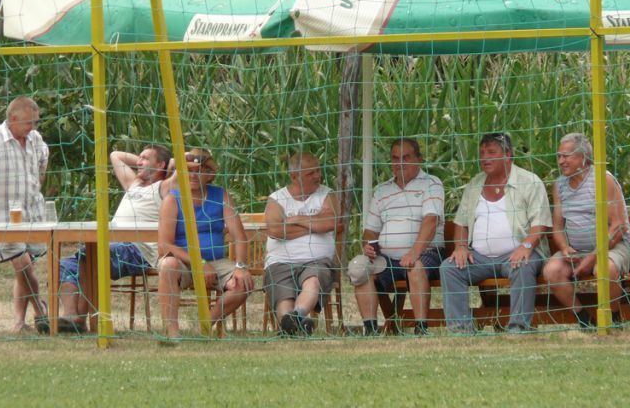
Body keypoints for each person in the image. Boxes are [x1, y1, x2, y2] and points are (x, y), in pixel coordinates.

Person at [440, 132, 551, 333]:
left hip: (518, 253)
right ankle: (460, 331)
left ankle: (518, 329)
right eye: (482, 153)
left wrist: (526, 246)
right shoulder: (475, 184)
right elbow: (461, 223)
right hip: (479, 258)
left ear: (508, 155)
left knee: (523, 265)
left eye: (491, 152)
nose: (485, 158)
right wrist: (461, 247)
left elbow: (540, 223)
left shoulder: (530, 182)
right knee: (449, 268)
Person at [56, 145, 173, 333]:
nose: (139, 162)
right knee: (63, 265)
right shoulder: (133, 183)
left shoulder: (163, 187)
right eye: (139, 158)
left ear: (160, 165)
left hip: (137, 250)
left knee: (90, 255)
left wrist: (170, 164)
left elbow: (182, 170)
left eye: (145, 158)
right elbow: (115, 155)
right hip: (112, 244)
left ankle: (81, 318)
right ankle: (71, 316)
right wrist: (145, 163)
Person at [350, 138, 445, 336]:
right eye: (395, 158)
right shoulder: (381, 190)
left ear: (419, 159)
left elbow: (431, 221)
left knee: (415, 266)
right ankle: (371, 330)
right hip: (387, 259)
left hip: (426, 253)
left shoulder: (431, 183)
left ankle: (421, 329)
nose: (399, 163)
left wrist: (414, 253)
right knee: (359, 268)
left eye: (406, 157)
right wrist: (368, 245)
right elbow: (370, 231)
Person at [157, 148, 253, 338]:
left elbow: (239, 236)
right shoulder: (172, 199)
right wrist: (199, 263)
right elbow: (165, 246)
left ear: (209, 174)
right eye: (188, 170)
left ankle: (203, 327)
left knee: (244, 283)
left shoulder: (221, 196)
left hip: (217, 260)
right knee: (167, 265)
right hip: (182, 262)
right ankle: (171, 332)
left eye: (199, 170)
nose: (193, 175)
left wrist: (241, 266)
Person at [0, 96, 50, 333]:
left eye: (36, 122)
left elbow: (43, 164)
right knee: (22, 263)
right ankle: (40, 310)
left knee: (24, 268)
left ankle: (19, 321)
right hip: (5, 217)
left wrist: (35, 188)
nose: (33, 127)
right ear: (13, 119)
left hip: (33, 214)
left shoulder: (35, 139)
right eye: (29, 123)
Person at [542, 133, 630, 328]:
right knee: (551, 271)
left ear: (583, 157)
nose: (561, 161)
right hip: (578, 250)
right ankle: (584, 320)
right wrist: (564, 247)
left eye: (566, 156)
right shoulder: (559, 185)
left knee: (604, 269)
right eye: (559, 156)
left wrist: (592, 258)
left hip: (613, 246)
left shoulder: (603, 179)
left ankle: (614, 319)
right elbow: (557, 226)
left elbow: (618, 227)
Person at [263, 153, 339, 337]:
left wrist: (296, 219)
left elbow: (331, 222)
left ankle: (294, 319)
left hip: (317, 261)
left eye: (318, 171)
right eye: (310, 173)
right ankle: (293, 324)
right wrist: (314, 225)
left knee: (313, 280)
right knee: (283, 291)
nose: (317, 176)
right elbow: (275, 230)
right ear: (294, 176)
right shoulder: (276, 199)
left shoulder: (327, 194)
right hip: (280, 261)